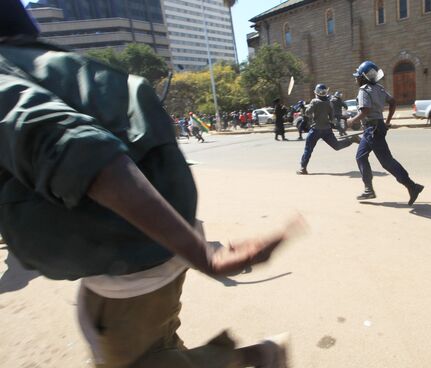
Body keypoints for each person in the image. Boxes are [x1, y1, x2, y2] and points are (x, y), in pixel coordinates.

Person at [0, 2, 303, 367]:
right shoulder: (50, 62)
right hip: (152, 238)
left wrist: (203, 256)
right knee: (153, 346)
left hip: (131, 251)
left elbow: (78, 151)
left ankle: (258, 354)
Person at [346, 61, 424, 205]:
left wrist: (352, 121)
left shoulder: (364, 90)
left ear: (363, 77)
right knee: (361, 156)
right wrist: (387, 122)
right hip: (377, 127)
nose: (355, 79)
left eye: (357, 76)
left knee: (387, 162)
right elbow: (393, 102)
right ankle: (368, 189)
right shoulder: (380, 88)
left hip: (372, 130)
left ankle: (412, 186)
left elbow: (365, 110)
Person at [296, 84, 358, 175]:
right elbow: (332, 118)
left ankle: (303, 168)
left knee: (308, 149)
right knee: (337, 146)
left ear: (316, 92)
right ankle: (352, 139)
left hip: (315, 129)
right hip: (327, 129)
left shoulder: (314, 101)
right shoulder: (329, 102)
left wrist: (306, 108)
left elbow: (308, 113)